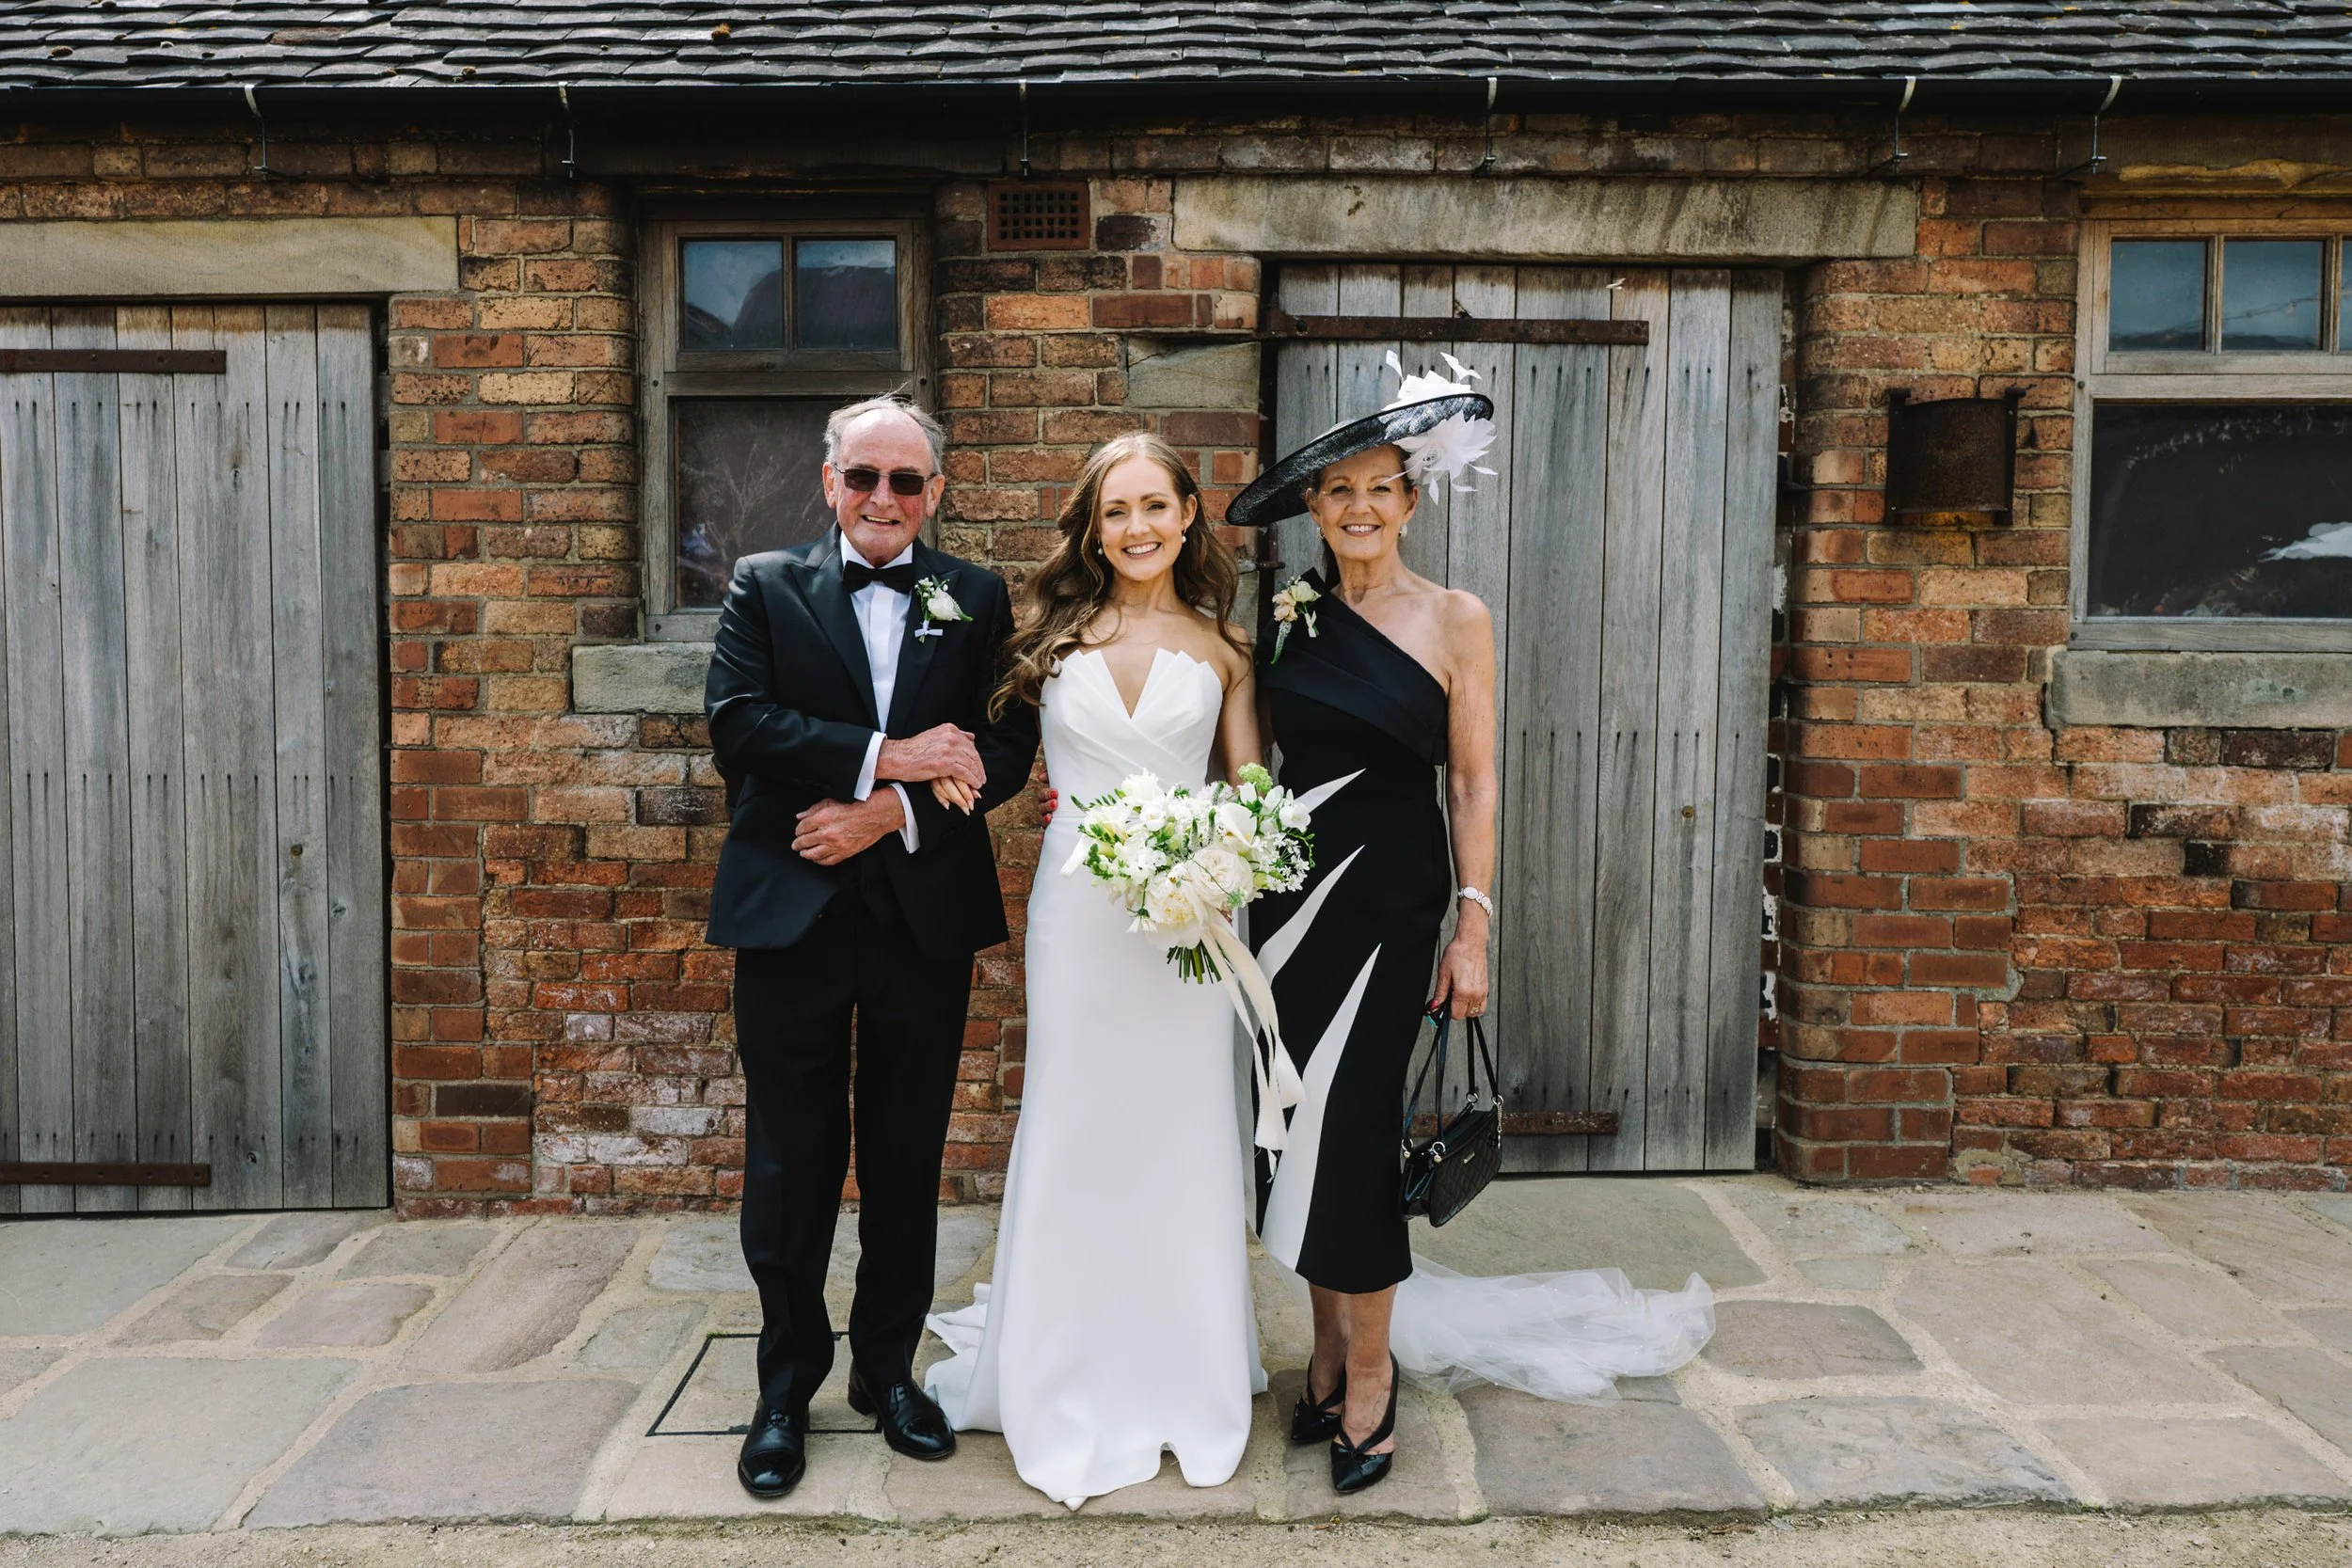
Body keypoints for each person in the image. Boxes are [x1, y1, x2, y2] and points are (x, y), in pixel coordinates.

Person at [1225, 361, 1714, 1494]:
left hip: (1392, 901)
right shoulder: (1284, 619)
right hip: (1289, 905)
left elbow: (1474, 781)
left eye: (1378, 488)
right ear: (1313, 508)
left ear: (1411, 498)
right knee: (1294, 1128)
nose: (1357, 507)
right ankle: (1325, 1351)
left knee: (1355, 1129)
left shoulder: (1456, 617)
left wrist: (1472, 924)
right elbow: (1250, 764)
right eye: (1337, 490)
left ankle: (1371, 1373)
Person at [705, 394, 1039, 1500]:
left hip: (919, 917)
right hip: (788, 911)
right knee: (789, 1160)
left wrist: (886, 814)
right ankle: (784, 1387)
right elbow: (737, 724)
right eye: (863, 476)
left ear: (935, 491)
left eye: (905, 480)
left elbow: (1004, 749)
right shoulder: (764, 583)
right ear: (829, 481)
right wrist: (890, 758)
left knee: (904, 1154)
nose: (882, 498)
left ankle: (887, 1371)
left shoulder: (977, 595)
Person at [921, 432, 1264, 1509]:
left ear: (1188, 513)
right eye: (1116, 511)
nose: (1136, 527)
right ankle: (1060, 1364)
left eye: (1154, 505)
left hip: (1185, 923)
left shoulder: (1225, 648)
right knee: (1075, 1121)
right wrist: (919, 773)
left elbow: (1251, 789)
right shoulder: (1047, 636)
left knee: (1179, 1128)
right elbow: (997, 758)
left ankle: (1181, 1366)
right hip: (1077, 915)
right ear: (1092, 526)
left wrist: (1222, 856)